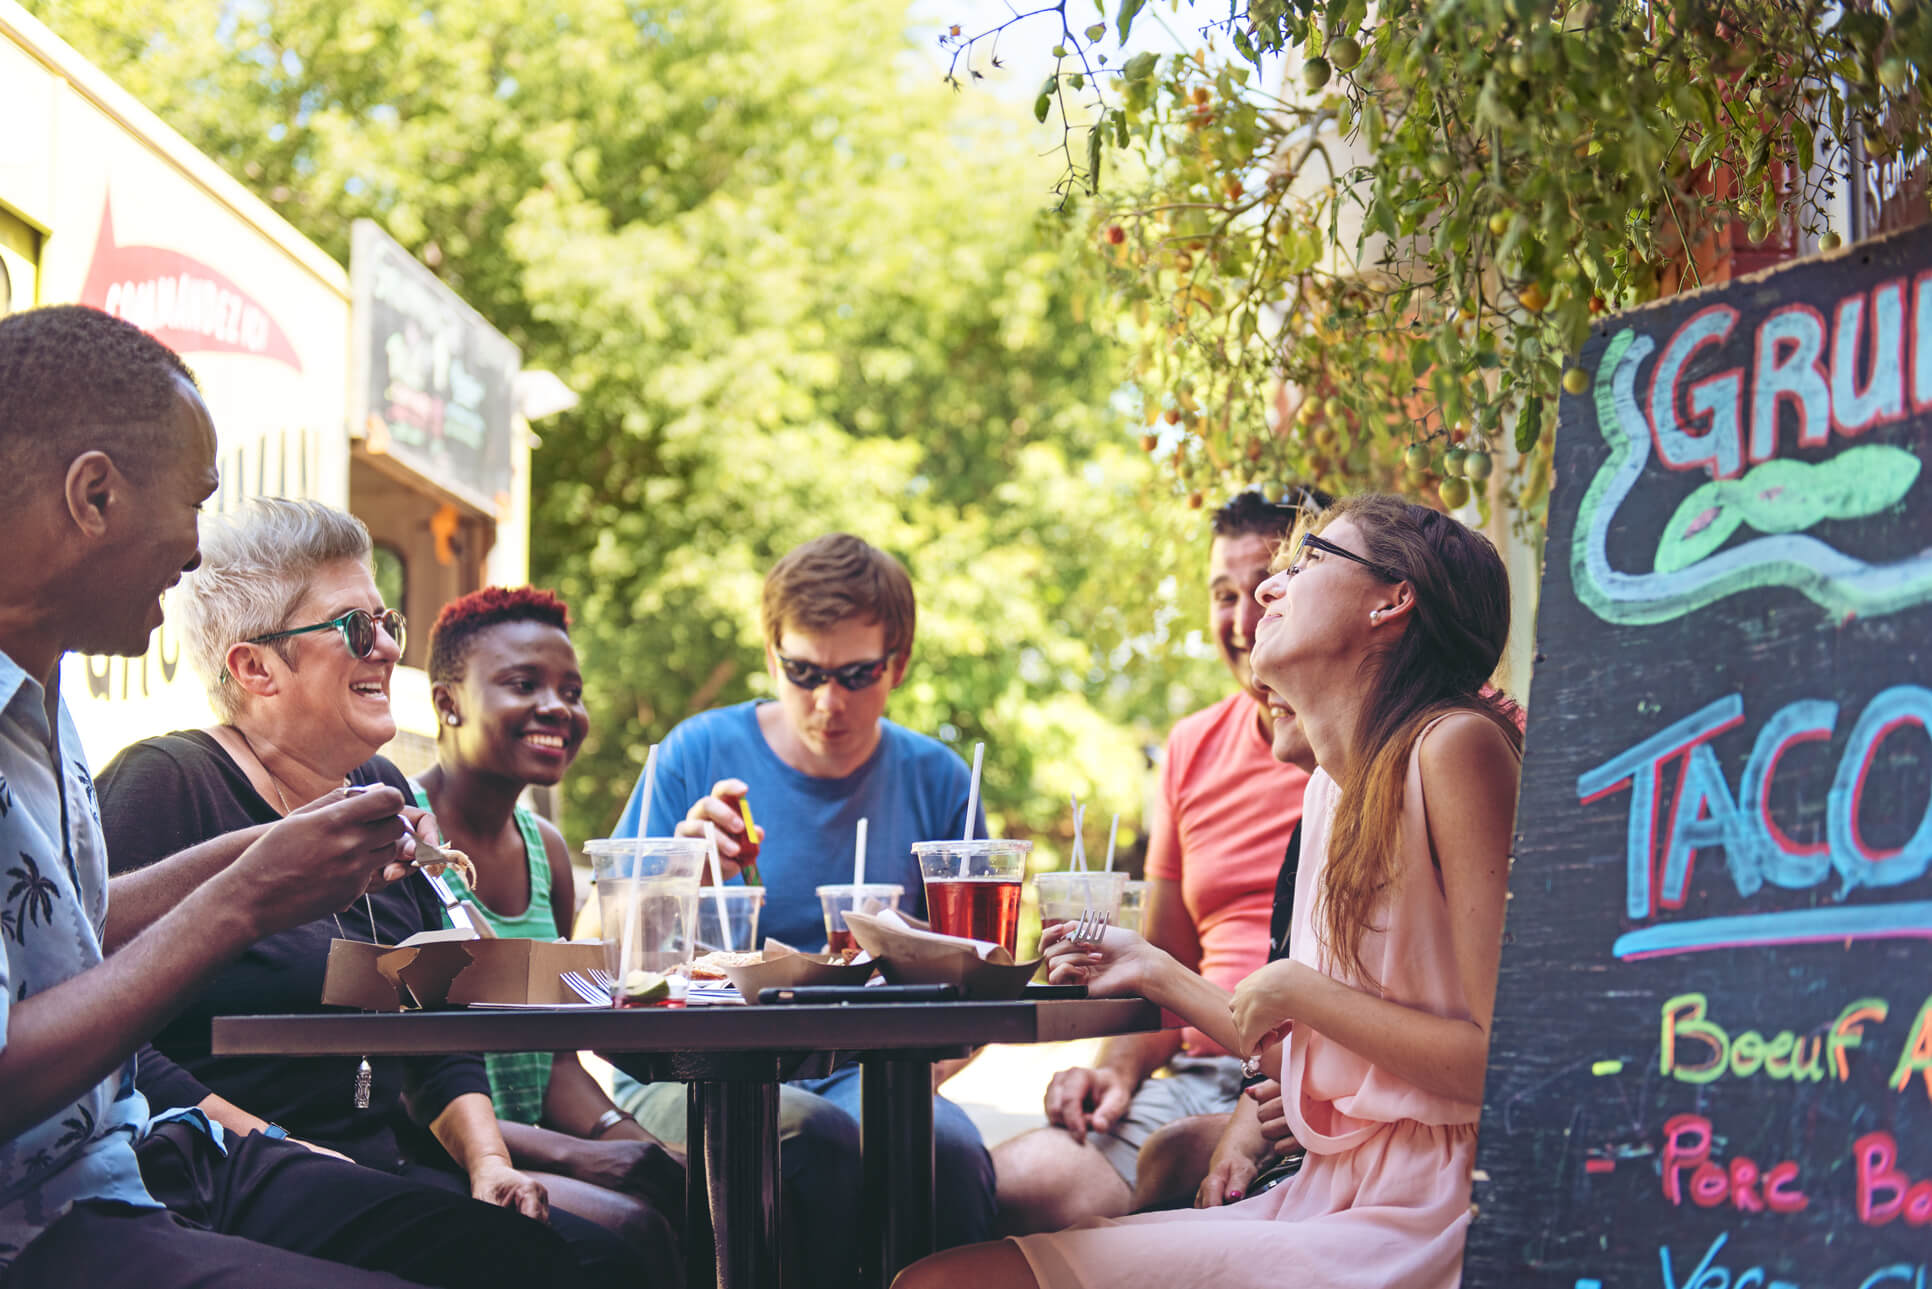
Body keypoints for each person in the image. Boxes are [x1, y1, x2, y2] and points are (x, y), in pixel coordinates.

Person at [0, 304, 593, 1287]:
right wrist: (245, 897)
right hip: (45, 1211)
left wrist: (269, 858)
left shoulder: (43, 705)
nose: (195, 555)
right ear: (94, 494)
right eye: (195, 498)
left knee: (532, 1256)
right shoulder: (158, 768)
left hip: (144, 1155)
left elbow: (64, 933)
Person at [895, 492, 1525, 1289]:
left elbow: (1507, 1060)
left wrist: (1299, 990)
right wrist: (1154, 969)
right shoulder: (1331, 791)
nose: (1268, 589)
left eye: (1306, 564)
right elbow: (1329, 1054)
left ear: (1392, 600)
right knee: (937, 1277)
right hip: (1331, 1190)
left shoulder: (1454, 746)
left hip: (1431, 1207)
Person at [93, 497, 668, 1287]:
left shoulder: (379, 786)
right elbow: (114, 1037)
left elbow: (431, 1011)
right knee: (536, 1263)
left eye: (385, 619)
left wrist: (489, 1162)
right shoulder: (167, 782)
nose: (390, 647)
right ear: (255, 667)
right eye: (355, 629)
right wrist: (273, 1147)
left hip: (373, 1164)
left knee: (618, 1250)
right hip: (221, 1175)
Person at [607, 532, 993, 1286]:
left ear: (899, 665)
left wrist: (903, 1061)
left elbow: (978, 985)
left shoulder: (939, 779)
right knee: (806, 1140)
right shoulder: (694, 752)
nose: (829, 701)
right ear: (771, 654)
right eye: (803, 671)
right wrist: (675, 873)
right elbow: (608, 953)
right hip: (691, 1069)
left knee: (939, 1152)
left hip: (867, 1067)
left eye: (857, 674)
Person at [994, 485, 1330, 1231]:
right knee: (1007, 1185)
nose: (1242, 622)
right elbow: (1169, 950)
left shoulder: (1362, 747)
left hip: (1311, 1082)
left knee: (1180, 1172)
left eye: (1266, 591)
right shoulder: (1190, 746)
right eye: (1222, 594)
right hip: (1203, 1066)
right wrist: (1115, 1070)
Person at [412, 584, 685, 1253]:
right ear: (447, 701)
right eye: (523, 683)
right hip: (451, 1157)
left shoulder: (549, 853)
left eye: (572, 689)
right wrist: (575, 1157)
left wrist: (634, 1141)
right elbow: (392, 1081)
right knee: (636, 1232)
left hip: (534, 1142)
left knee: (703, 1188)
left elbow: (556, 1062)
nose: (558, 707)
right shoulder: (400, 840)